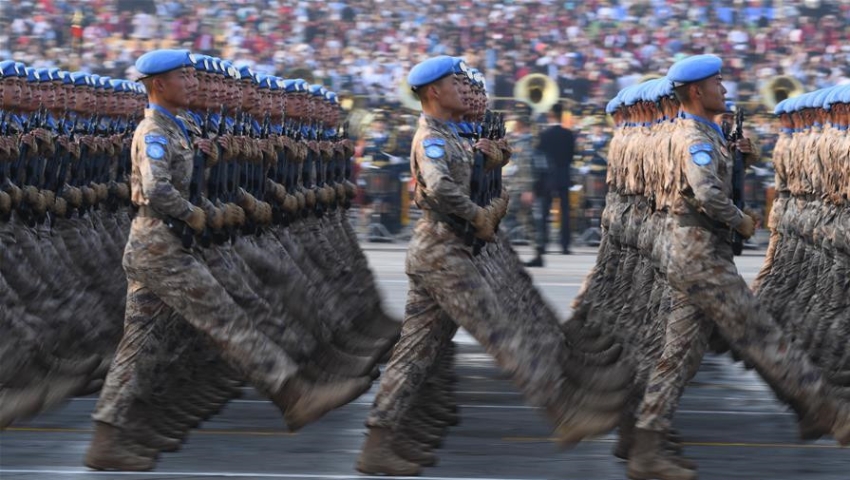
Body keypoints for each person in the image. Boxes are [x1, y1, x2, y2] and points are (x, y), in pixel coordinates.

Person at [85, 49, 369, 472]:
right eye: (185, 77)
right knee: (227, 318)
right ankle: (294, 395)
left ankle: (108, 439)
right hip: (161, 246)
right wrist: (196, 214)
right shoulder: (154, 131)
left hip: (162, 244)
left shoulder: (180, 127)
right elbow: (157, 188)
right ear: (159, 84)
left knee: (141, 347)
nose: (194, 83)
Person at [628, 54, 850, 480]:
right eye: (718, 84)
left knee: (679, 356)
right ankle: (831, 413)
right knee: (760, 334)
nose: (724, 90)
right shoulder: (693, 135)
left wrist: (740, 160)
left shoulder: (701, 132)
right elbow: (706, 193)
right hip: (701, 257)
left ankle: (645, 448)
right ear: (697, 91)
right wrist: (741, 220)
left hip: (692, 253)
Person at [527, 102, 574, 267]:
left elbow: (539, 157)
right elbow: (571, 156)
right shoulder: (569, 135)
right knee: (565, 212)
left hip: (547, 179)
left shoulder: (544, 135)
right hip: (563, 176)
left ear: (550, 115)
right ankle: (565, 245)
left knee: (545, 213)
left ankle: (543, 244)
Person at [502, 103, 537, 248]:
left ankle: (537, 250)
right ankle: (537, 251)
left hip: (521, 187)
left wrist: (528, 189)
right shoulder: (512, 139)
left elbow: (528, 167)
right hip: (511, 184)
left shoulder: (531, 141)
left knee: (514, 219)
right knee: (518, 218)